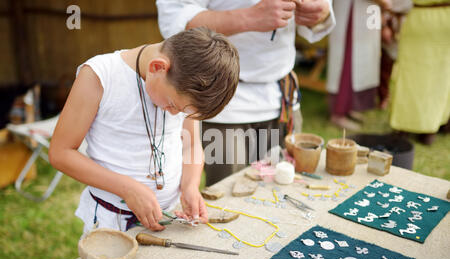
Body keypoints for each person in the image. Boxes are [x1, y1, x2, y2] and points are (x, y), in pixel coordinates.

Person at [48, 27, 240, 233]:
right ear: (157, 67)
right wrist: (127, 188)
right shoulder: (100, 75)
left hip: (171, 214)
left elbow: (191, 144)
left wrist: (190, 186)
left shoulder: (185, 80)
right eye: (172, 105)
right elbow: (61, 153)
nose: (175, 114)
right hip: (113, 220)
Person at [157, 0, 336, 186]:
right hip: (225, 106)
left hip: (281, 97)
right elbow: (174, 18)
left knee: (283, 190)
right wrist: (249, 17)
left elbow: (321, 14)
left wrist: (320, 13)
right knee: (229, 199)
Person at [389, 0, 450, 145]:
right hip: (442, 18)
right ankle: (429, 129)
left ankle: (404, 126)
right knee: (438, 76)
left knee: (411, 74)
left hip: (419, 17)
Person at [326, 0, 390, 131]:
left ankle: (349, 106)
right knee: (347, 63)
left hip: (366, 14)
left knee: (360, 62)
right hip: (350, 14)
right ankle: (339, 111)